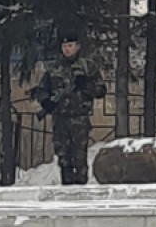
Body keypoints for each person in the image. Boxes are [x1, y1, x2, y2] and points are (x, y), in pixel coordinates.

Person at [31, 31, 106, 184]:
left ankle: (80, 189)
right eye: (64, 46)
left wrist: (86, 86)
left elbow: (101, 91)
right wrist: (46, 102)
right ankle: (66, 187)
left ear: (77, 47)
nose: (67, 49)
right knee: (63, 158)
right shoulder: (54, 68)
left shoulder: (88, 67)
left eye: (70, 45)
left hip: (79, 118)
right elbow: (42, 89)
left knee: (79, 157)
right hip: (60, 119)